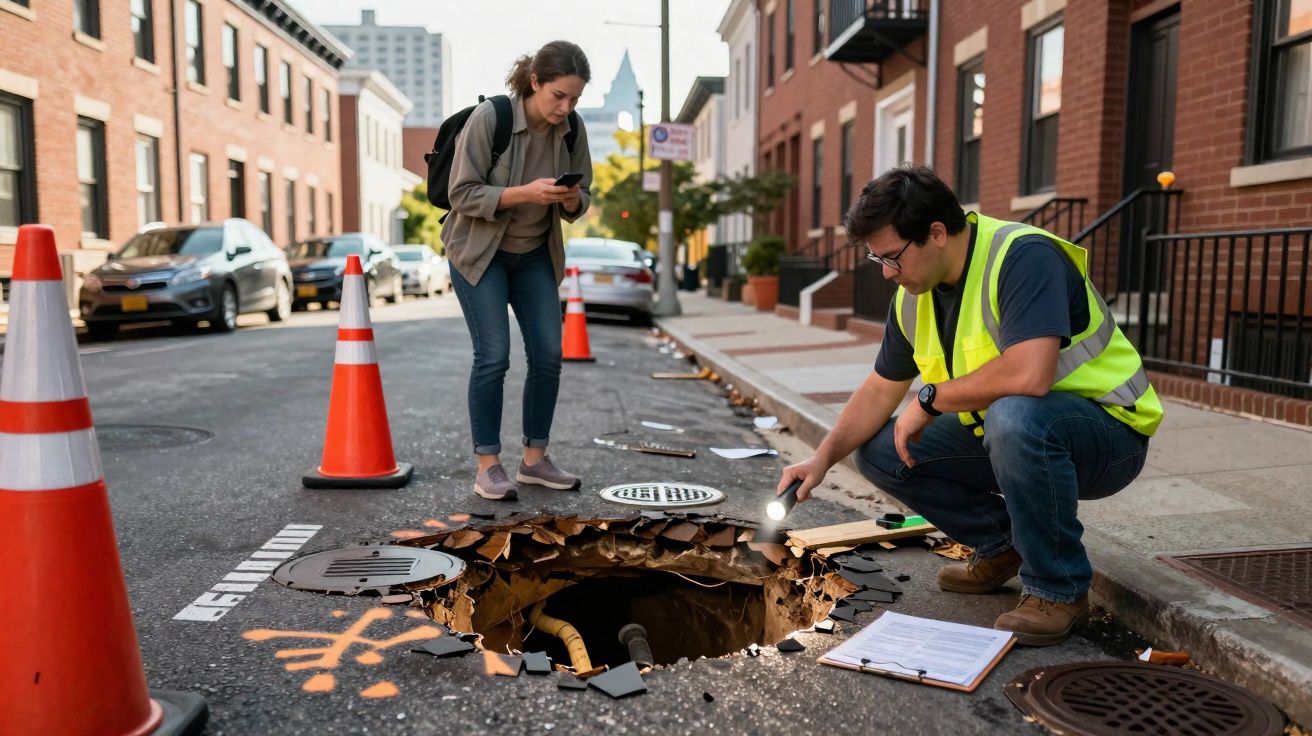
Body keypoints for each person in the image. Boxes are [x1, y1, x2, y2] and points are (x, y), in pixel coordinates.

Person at [777, 165, 1163, 645]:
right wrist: (821, 458)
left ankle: (1058, 589)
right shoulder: (913, 296)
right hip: (1008, 434)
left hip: (1106, 435)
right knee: (881, 449)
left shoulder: (1024, 256)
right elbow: (880, 388)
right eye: (877, 259)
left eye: (892, 257)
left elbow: (1029, 374)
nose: (888, 273)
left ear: (936, 233)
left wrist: (932, 396)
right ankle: (1000, 544)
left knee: (1015, 413)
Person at [442, 41, 593, 501]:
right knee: (494, 355)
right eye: (558, 97)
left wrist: (572, 199)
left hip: (533, 257)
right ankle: (488, 465)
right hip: (480, 252)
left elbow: (583, 196)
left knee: (549, 354)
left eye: (574, 99)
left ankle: (535, 460)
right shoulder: (493, 118)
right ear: (535, 82)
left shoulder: (571, 130)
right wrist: (522, 194)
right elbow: (461, 193)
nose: (565, 108)